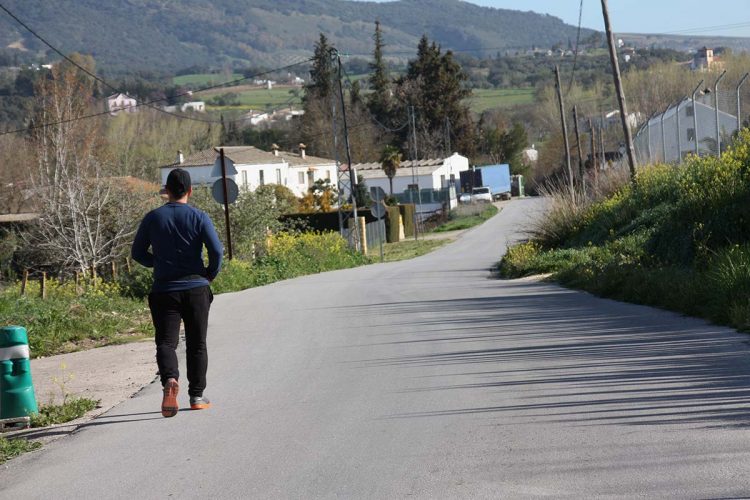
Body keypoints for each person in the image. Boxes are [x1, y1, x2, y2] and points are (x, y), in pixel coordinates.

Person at [131, 168, 223, 417]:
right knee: (197, 344)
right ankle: (196, 396)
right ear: (190, 191)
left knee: (166, 343)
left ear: (166, 192)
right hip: (195, 288)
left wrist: (158, 263)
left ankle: (170, 380)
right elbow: (216, 251)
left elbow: (137, 253)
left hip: (164, 291)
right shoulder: (199, 216)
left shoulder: (153, 218)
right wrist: (209, 274)